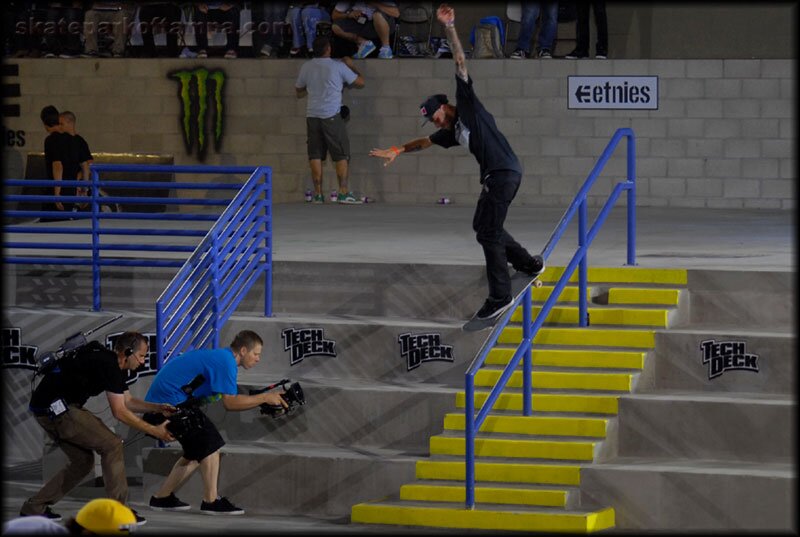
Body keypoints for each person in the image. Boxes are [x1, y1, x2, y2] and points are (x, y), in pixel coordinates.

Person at [369, 3, 545, 322]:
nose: (436, 124)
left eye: (435, 117)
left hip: (504, 173)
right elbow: (424, 142)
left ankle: (500, 295)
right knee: (483, 227)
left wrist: (450, 28)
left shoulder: (466, 107)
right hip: (497, 176)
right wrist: (397, 149)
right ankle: (529, 264)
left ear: (444, 107)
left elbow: (461, 62)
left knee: (489, 233)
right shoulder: (454, 132)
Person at [19, 332, 175, 525]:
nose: (143, 362)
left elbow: (128, 401)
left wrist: (158, 407)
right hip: (58, 410)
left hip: (48, 408)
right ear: (127, 352)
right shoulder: (107, 364)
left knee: (83, 462)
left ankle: (33, 508)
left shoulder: (109, 362)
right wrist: (155, 431)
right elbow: (119, 412)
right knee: (112, 444)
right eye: (141, 356)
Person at [143, 330, 288, 515]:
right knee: (211, 445)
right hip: (166, 405)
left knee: (197, 452)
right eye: (256, 353)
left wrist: (264, 399)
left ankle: (161, 498)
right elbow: (231, 403)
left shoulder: (223, 358)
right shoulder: (226, 362)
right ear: (243, 350)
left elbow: (231, 398)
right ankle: (211, 501)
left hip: (171, 402)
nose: (258, 358)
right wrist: (265, 398)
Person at [295, 35, 364, 204]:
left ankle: (318, 194)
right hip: (331, 115)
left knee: (315, 154)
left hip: (312, 115)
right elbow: (360, 82)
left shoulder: (306, 66)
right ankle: (343, 192)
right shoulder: (338, 66)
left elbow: (298, 90)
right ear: (328, 49)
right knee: (341, 154)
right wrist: (352, 66)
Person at [40, 105, 83, 217]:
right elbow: (82, 166)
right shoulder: (72, 139)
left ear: (45, 123)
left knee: (50, 227)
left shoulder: (51, 140)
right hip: (72, 189)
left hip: (57, 188)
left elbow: (57, 165)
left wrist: (57, 193)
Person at [331, 1, 398, 59]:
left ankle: (385, 48)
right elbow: (334, 15)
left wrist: (375, 4)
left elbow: (396, 13)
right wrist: (349, 14)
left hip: (382, 26)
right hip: (361, 25)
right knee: (336, 26)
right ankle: (364, 43)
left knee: (377, 15)